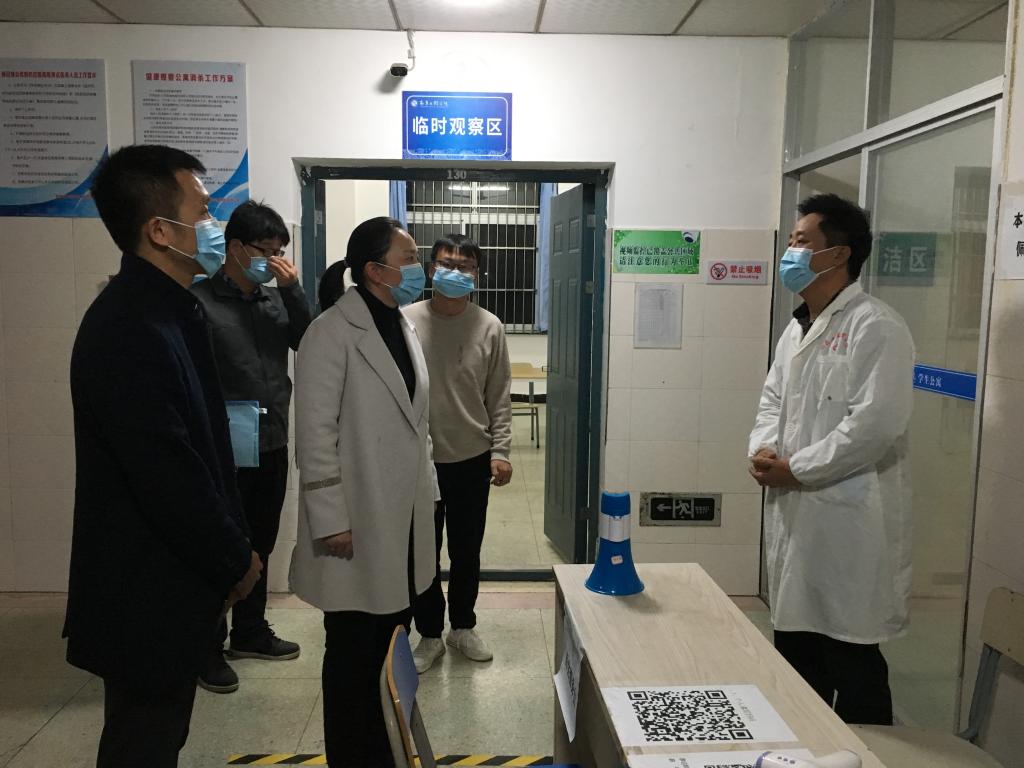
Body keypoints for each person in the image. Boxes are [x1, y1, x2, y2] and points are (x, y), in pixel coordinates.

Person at [65, 144, 262, 768]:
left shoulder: (171, 310)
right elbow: (167, 472)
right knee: (141, 743)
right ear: (159, 230)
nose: (214, 226)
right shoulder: (129, 327)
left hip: (173, 584)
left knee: (158, 737)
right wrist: (233, 557)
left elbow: (204, 450)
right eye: (202, 212)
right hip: (144, 590)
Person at [748, 193, 914, 726]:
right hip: (797, 520)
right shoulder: (797, 327)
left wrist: (797, 469)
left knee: (853, 662)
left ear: (838, 254)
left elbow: (875, 426)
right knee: (798, 664)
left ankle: (873, 755)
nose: (789, 251)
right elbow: (772, 400)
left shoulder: (876, 326)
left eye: (801, 241)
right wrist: (764, 450)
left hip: (849, 524)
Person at [289, 216, 438, 767]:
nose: (419, 267)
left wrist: (429, 493)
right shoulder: (330, 332)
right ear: (376, 270)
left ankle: (384, 751)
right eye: (410, 258)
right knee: (353, 651)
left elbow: (416, 424)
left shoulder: (403, 325)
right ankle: (353, 758)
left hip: (402, 515)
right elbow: (315, 436)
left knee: (387, 645)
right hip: (355, 521)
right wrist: (330, 519)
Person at [191, 200, 311, 693]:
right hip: (222, 448)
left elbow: (310, 341)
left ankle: (251, 631)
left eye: (280, 251)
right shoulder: (199, 302)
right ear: (236, 247)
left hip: (272, 439)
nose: (273, 260)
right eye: (266, 250)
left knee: (261, 539)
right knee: (222, 544)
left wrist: (293, 290)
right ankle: (206, 646)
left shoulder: (275, 301)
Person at [405, 235, 513, 673]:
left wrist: (501, 450)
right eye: (446, 263)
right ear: (431, 269)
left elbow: (499, 394)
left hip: (471, 455)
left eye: (464, 266)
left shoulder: (489, 326)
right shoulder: (405, 321)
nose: (455, 272)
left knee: (467, 550)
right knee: (423, 552)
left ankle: (462, 626)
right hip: (419, 460)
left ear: (476, 275)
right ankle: (430, 634)